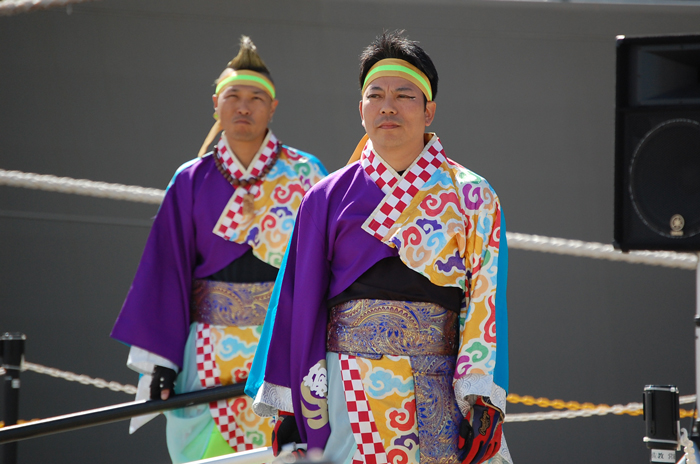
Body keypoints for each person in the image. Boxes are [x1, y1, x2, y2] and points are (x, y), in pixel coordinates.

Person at [249, 31, 511, 464]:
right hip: (348, 387)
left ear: (429, 110)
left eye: (404, 94)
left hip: (443, 386)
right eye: (375, 94)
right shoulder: (326, 196)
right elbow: (298, 305)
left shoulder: (474, 196)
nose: (387, 105)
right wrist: (293, 405)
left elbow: (486, 302)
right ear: (361, 110)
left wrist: (482, 397)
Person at [111, 36, 327, 463]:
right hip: (207, 351)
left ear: (273, 107)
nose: (243, 107)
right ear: (216, 104)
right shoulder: (191, 180)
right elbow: (164, 273)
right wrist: (162, 365)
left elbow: (321, 272)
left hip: (281, 349)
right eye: (233, 96)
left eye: (255, 98)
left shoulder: (308, 175)